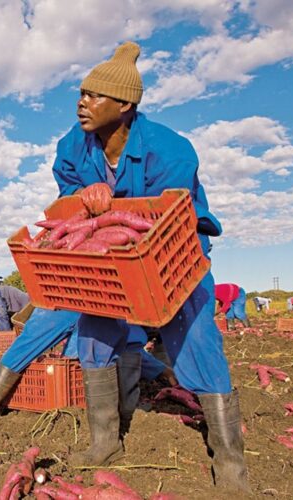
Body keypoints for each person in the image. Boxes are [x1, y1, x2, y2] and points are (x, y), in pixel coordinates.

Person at [50, 41, 249, 492]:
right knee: (95, 330)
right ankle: (106, 439)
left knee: (196, 336)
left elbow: (159, 216)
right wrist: (83, 197)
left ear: (124, 104)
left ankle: (231, 462)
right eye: (80, 93)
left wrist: (107, 202)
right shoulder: (72, 146)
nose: (81, 102)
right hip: (109, 257)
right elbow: (67, 193)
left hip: (173, 253)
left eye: (93, 95)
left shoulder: (170, 149)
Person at [0, 307, 178, 430]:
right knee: (107, 342)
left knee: (38, 338)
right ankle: (122, 417)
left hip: (62, 295)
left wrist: (160, 369)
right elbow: (128, 344)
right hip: (89, 301)